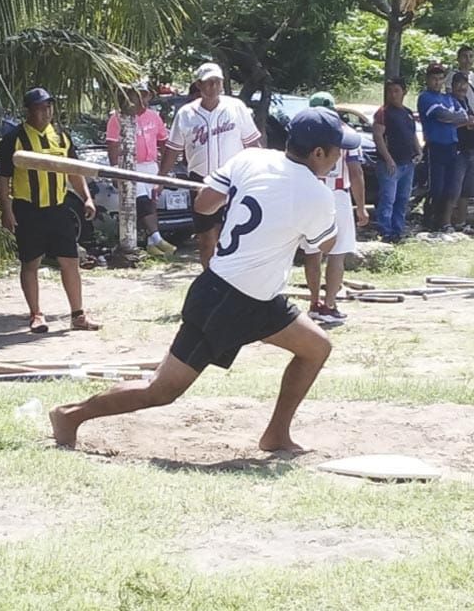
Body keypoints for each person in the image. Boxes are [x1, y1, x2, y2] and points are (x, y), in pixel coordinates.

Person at [49, 107, 359, 451]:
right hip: (225, 300)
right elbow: (326, 244)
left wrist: (240, 193)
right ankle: (71, 415)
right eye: (336, 150)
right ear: (318, 152)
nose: (338, 157)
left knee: (316, 348)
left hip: (257, 298)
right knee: (161, 391)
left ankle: (276, 435)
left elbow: (205, 204)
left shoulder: (251, 160)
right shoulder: (316, 195)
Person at [0, 87, 100, 334]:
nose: (46, 112)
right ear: (29, 111)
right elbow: (2, 179)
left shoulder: (61, 136)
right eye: (40, 108)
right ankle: (36, 314)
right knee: (30, 263)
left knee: (70, 261)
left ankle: (78, 314)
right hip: (28, 210)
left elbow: (74, 170)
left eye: (49, 107)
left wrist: (86, 198)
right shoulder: (15, 139)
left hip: (58, 208)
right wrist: (6, 210)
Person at [156, 63, 261, 267]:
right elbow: (173, 148)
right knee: (205, 239)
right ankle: (208, 281)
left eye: (217, 82)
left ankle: (229, 279)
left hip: (234, 179)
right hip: (201, 181)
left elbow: (252, 143)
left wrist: (259, 172)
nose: (213, 87)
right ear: (199, 85)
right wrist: (161, 178)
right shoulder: (186, 114)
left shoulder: (235, 107)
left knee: (231, 235)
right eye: (208, 83)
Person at [300, 92, 368, 324]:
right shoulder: (347, 134)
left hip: (310, 193)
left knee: (312, 251)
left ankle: (314, 302)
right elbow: (356, 172)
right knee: (337, 253)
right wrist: (361, 207)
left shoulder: (303, 134)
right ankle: (329, 305)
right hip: (338, 194)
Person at [105, 82, 173, 256]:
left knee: (151, 203)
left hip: (151, 165)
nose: (141, 99)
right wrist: (114, 169)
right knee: (141, 199)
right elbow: (112, 144)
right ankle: (158, 238)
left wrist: (164, 169)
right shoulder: (118, 117)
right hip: (131, 165)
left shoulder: (154, 116)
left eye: (144, 95)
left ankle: (152, 244)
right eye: (137, 95)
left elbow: (164, 141)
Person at [418, 63, 472, 232]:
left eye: (440, 78)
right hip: (435, 147)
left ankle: (443, 223)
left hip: (452, 146)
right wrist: (453, 117)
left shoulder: (447, 98)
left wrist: (453, 118)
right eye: (434, 78)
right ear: (428, 79)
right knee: (436, 187)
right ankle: (430, 222)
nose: (437, 82)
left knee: (450, 187)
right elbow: (442, 115)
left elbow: (463, 116)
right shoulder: (425, 97)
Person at [372, 78, 423, 242]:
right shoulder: (383, 112)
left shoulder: (408, 112)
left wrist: (419, 151)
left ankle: (398, 229)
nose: (393, 95)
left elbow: (412, 134)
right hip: (390, 164)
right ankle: (385, 230)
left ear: (404, 92)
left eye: (396, 91)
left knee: (402, 198)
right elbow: (378, 137)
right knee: (388, 198)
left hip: (408, 163)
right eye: (390, 91)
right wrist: (388, 159)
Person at [450, 72, 474, 233]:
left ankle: (461, 222)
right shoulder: (449, 102)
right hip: (456, 149)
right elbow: (447, 124)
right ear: (452, 86)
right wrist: (467, 121)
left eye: (464, 84)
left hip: (470, 149)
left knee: (467, 189)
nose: (462, 87)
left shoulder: (466, 101)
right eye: (458, 83)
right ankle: (447, 221)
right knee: (454, 188)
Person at [445, 45, 474, 110]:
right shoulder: (452, 75)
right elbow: (449, 96)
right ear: (458, 59)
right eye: (464, 56)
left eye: (471, 56)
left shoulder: (472, 75)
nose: (468, 59)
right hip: (462, 113)